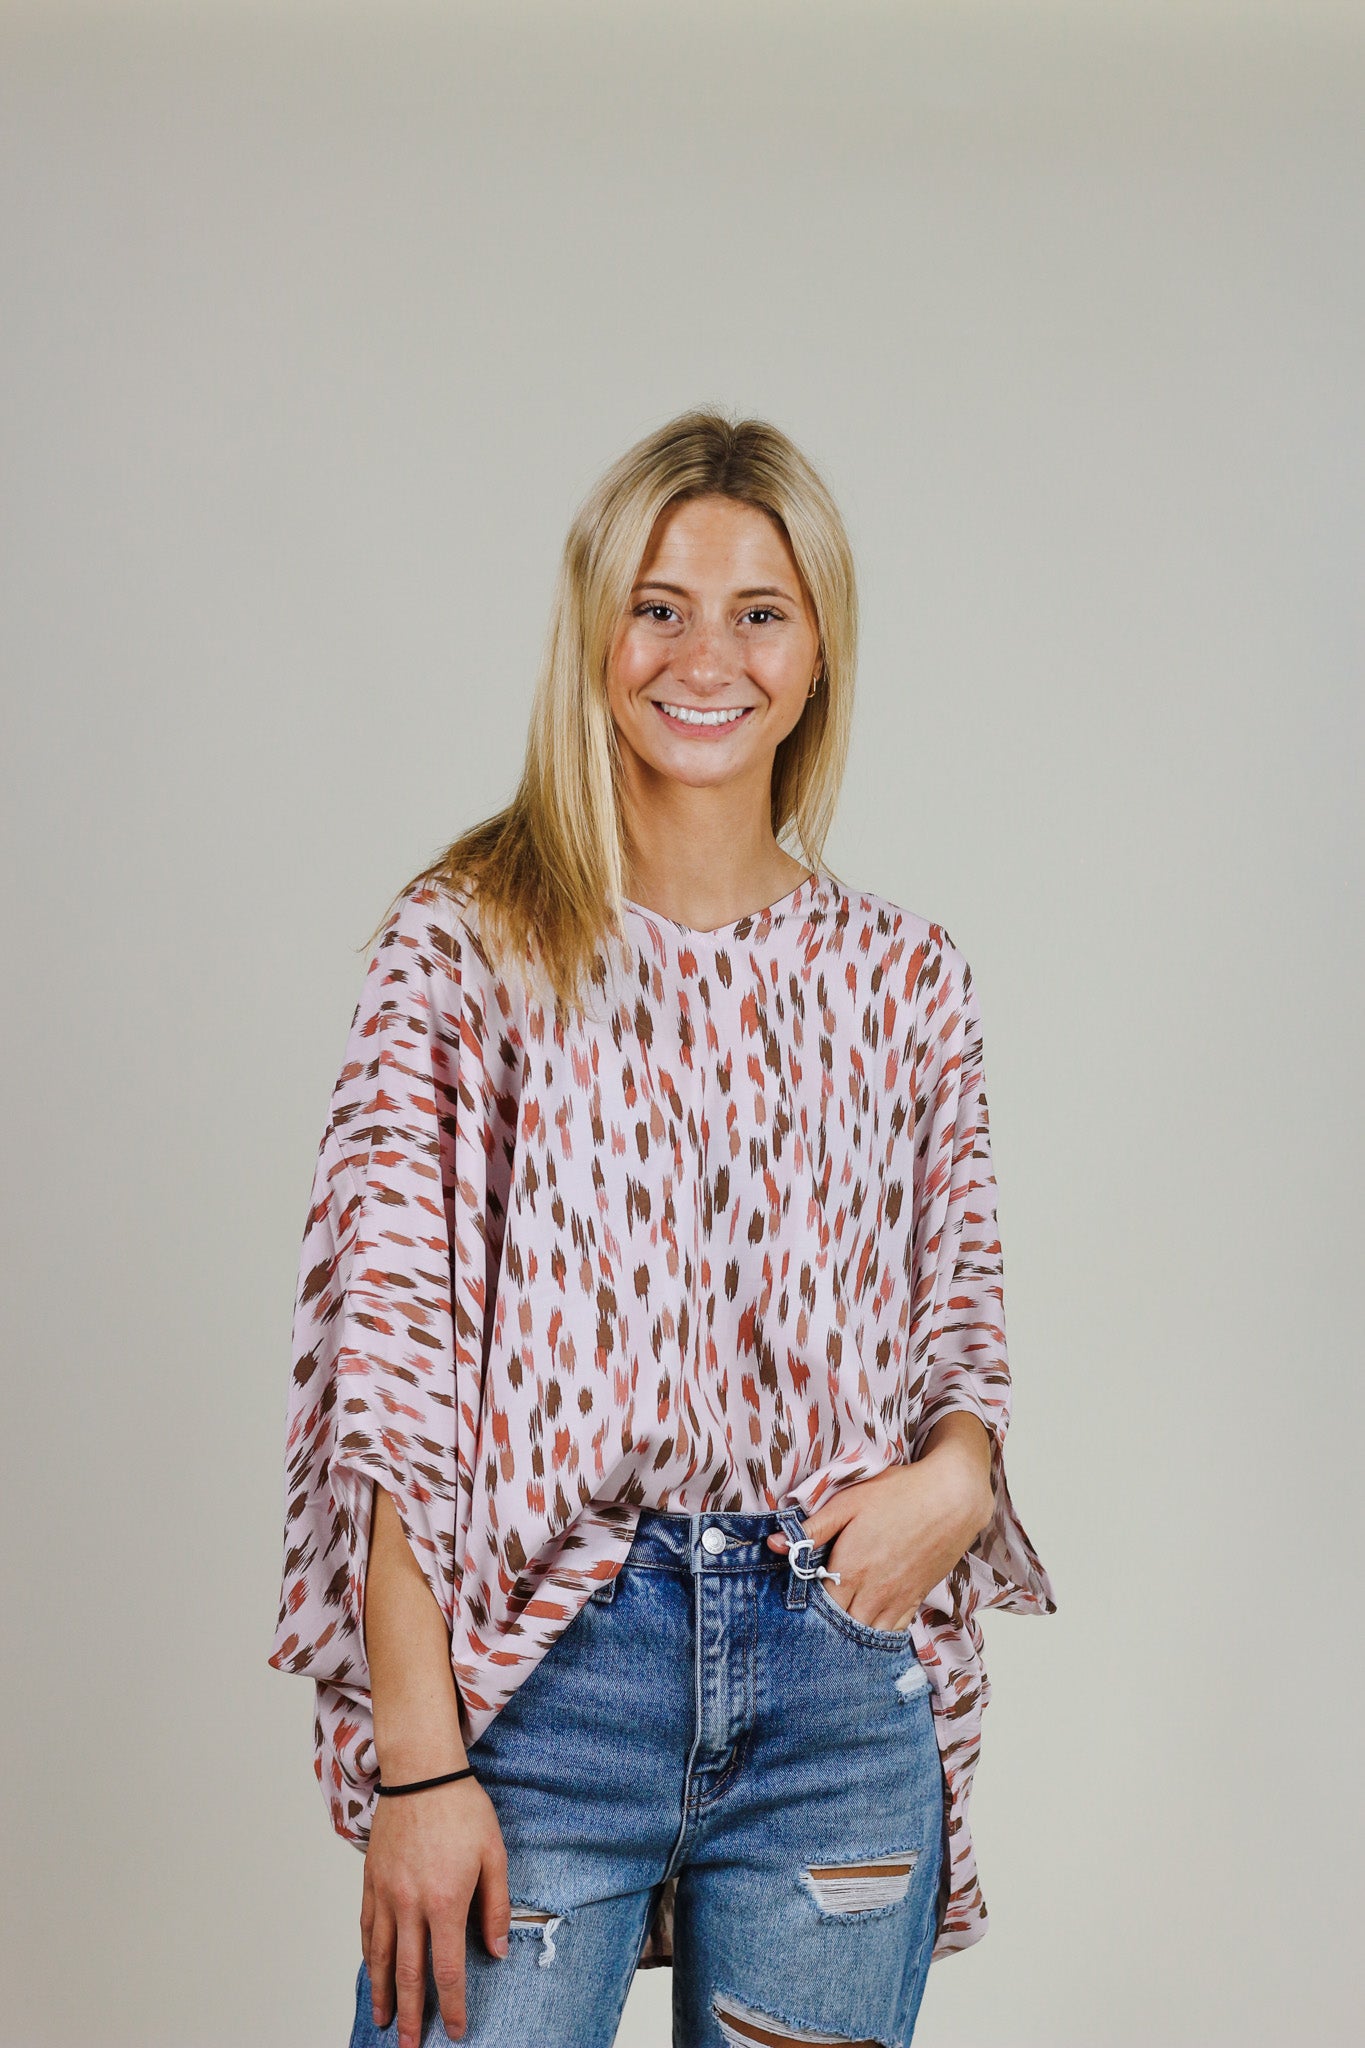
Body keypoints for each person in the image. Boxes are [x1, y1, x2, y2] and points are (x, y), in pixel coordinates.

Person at [268, 408, 1057, 2048]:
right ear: (594, 635)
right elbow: (389, 1393)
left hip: (836, 1681)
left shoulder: (904, 978)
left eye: (758, 611)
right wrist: (417, 1767)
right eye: (658, 607)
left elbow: (961, 1318)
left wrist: (959, 1480)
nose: (706, 658)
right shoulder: (463, 953)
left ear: (817, 650)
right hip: (548, 1674)